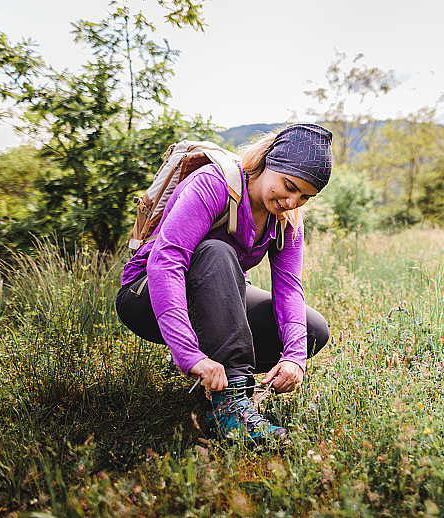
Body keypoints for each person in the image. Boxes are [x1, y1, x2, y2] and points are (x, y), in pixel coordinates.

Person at [115, 123, 333, 442]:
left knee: (313, 331)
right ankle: (228, 404)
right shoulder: (215, 184)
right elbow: (166, 262)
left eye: (304, 197)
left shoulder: (288, 219)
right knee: (217, 251)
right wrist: (188, 354)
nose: (291, 201)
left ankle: (220, 379)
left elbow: (289, 289)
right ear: (269, 160)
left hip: (213, 296)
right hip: (145, 295)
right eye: (288, 186)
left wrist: (294, 357)